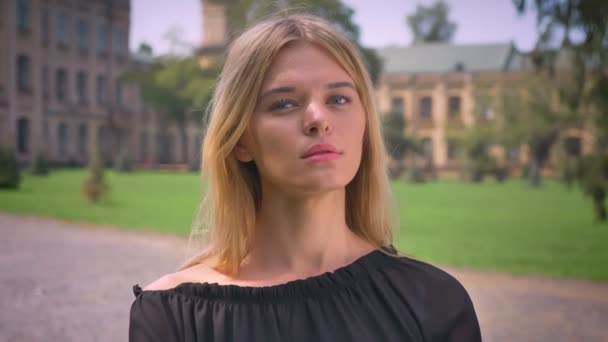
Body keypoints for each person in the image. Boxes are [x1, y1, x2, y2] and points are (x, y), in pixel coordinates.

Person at [129, 13, 482, 342]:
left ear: (364, 124)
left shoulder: (433, 301)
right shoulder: (172, 317)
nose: (318, 119)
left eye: (339, 98)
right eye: (284, 104)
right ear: (240, 141)